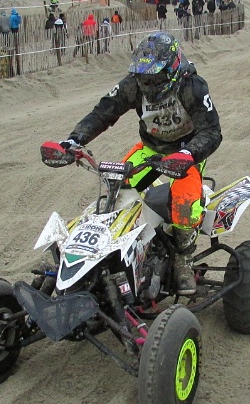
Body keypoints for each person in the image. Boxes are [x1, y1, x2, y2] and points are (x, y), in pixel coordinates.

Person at [54, 31, 221, 295]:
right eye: (144, 76)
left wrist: (188, 155)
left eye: (154, 76)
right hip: (150, 148)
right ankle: (117, 250)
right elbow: (102, 113)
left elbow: (212, 132)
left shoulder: (193, 87)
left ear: (172, 68)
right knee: (117, 187)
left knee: (185, 202)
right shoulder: (133, 84)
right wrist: (75, 140)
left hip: (185, 152)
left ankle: (183, 259)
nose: (149, 82)